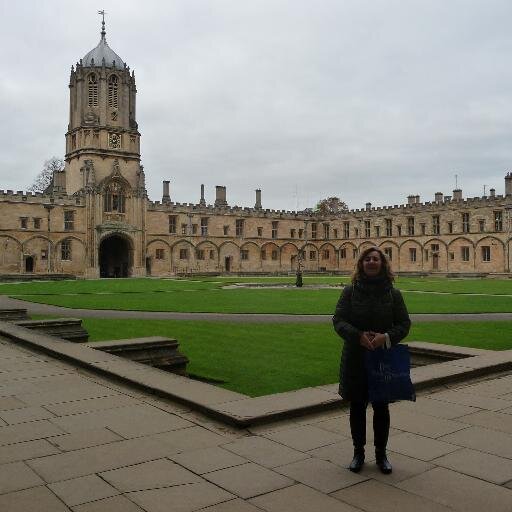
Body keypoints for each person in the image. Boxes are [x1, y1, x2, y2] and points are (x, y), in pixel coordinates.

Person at [332, 246, 411, 474]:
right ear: (361, 264)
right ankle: (358, 452)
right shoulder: (350, 292)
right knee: (357, 406)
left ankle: (381, 454)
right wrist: (358, 336)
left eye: (376, 259)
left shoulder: (393, 294)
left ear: (383, 264)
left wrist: (385, 338)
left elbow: (404, 324)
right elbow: (338, 320)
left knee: (381, 407)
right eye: (367, 259)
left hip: (382, 357)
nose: (371, 262)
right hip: (356, 357)